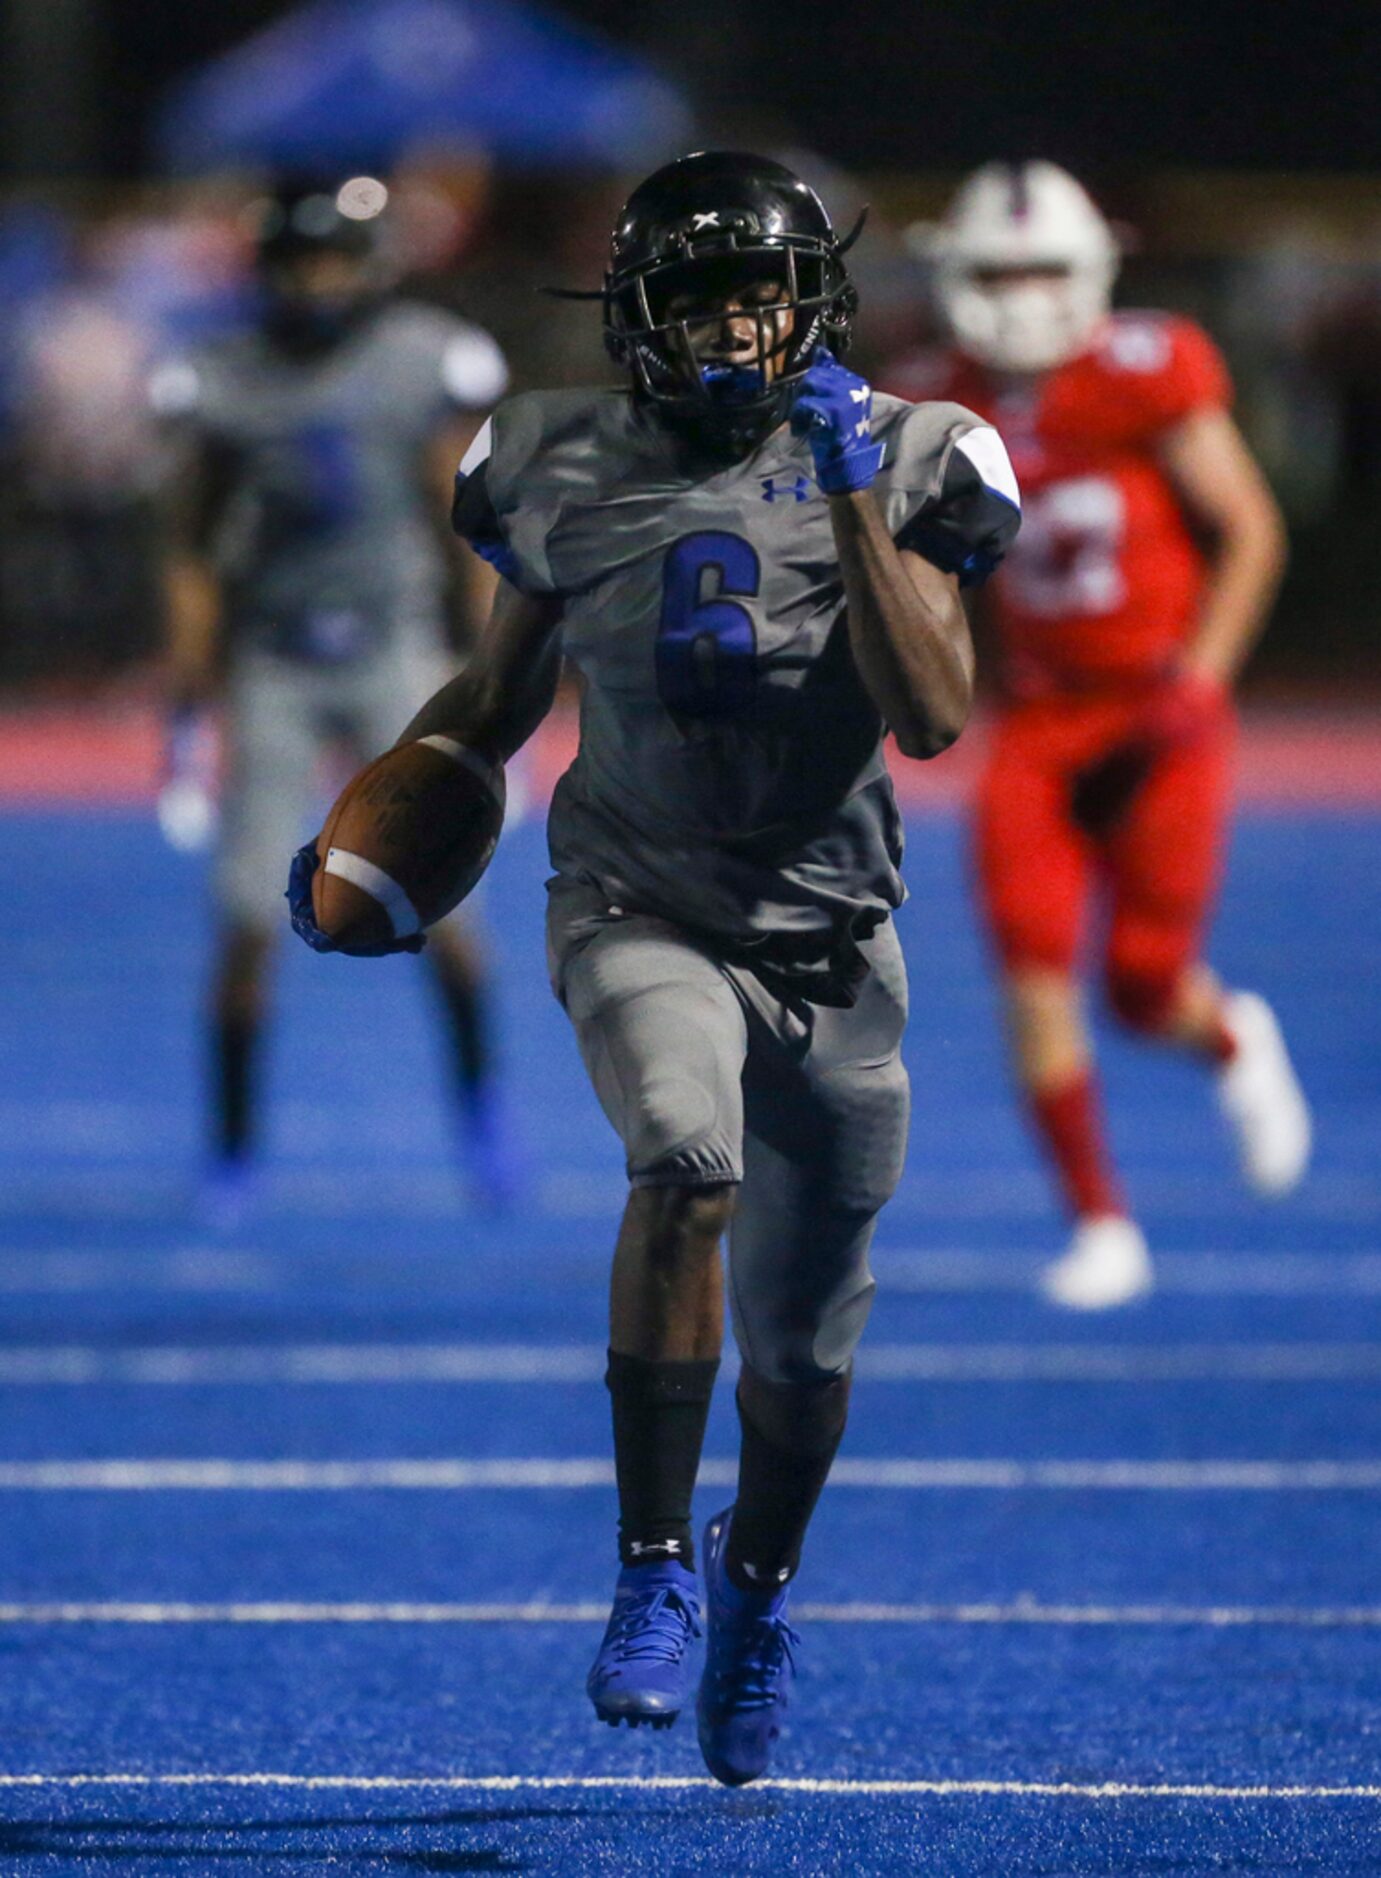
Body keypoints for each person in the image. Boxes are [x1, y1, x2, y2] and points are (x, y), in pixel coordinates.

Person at [289, 150, 1019, 1784]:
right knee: (684, 1162)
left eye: (757, 294)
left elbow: (933, 713)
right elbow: (495, 698)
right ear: (634, 312)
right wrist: (364, 839)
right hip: (635, 900)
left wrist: (848, 490)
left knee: (807, 1360)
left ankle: (755, 1584)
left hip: (832, 936)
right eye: (693, 296)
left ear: (811, 304)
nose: (729, 328)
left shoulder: (913, 453)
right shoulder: (551, 458)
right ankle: (651, 1568)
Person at [883, 161, 1310, 1310]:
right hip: (1035, 719)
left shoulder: (1147, 368)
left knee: (1139, 984)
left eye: (1040, 269)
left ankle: (1229, 1036)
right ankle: (1100, 1222)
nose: (1021, 294)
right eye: (997, 271)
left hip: (1152, 710)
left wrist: (1200, 683)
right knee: (1032, 970)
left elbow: (1248, 529)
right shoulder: (933, 393)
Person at [154, 176, 516, 1218]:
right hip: (275, 658)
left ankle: (483, 1113)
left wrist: (487, 676)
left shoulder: (416, 359)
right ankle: (231, 1148)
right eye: (299, 262)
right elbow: (193, 545)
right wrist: (188, 695)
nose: (317, 283)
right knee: (246, 923)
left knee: (448, 911)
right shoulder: (222, 376)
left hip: (393, 649)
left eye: (334, 261)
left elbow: (461, 517)